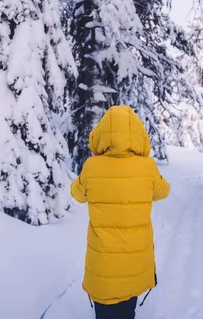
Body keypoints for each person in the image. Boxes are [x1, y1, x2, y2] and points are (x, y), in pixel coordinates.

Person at [71, 105, 170, 319]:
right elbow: (164, 191)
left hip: (103, 265)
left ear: (103, 133)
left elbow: (76, 194)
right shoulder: (147, 167)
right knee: (128, 311)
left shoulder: (91, 167)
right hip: (135, 262)